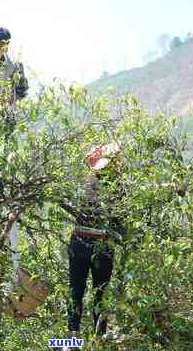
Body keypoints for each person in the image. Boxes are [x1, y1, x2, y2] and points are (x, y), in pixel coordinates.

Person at [65, 143, 124, 346]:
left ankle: (83, 337)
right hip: (94, 245)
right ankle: (90, 338)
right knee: (90, 292)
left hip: (84, 243)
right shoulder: (109, 185)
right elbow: (118, 219)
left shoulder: (85, 182)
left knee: (81, 292)